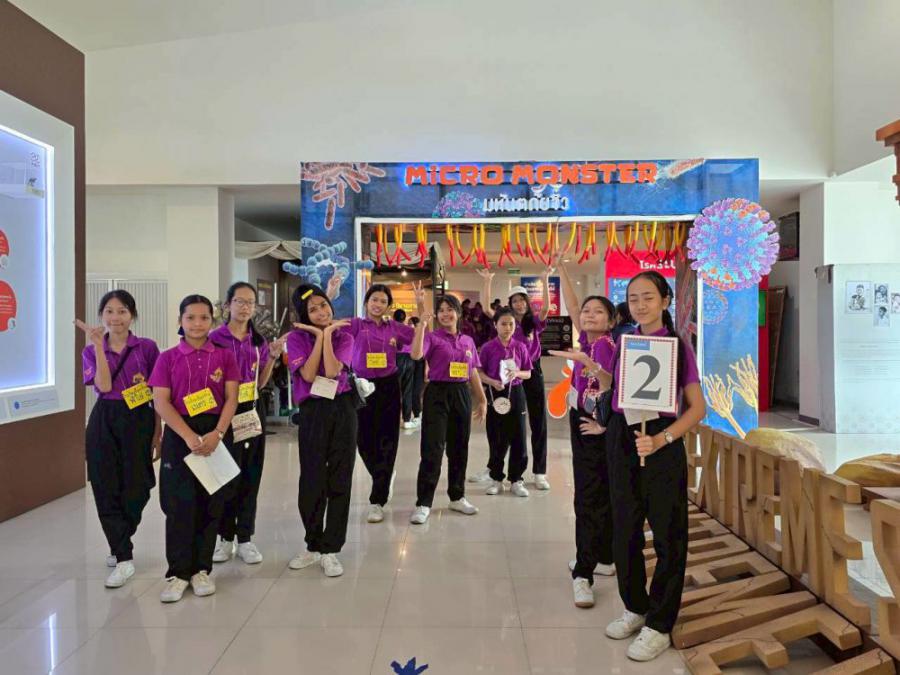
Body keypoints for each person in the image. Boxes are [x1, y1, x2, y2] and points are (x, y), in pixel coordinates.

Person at [598, 271, 706, 662]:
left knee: (668, 533)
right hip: (622, 439)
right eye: (633, 298)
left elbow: (698, 408)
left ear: (665, 300)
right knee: (624, 529)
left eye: (648, 297)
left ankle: (660, 623)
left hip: (662, 441)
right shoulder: (624, 342)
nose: (640, 305)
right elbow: (617, 390)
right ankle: (635, 606)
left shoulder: (678, 347)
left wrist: (662, 440)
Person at [149, 295, 240, 603]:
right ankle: (178, 573)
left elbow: (231, 398)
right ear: (180, 321)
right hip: (180, 435)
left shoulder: (224, 356)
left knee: (211, 503)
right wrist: (188, 436)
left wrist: (218, 433)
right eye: (190, 317)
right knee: (178, 504)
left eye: (204, 318)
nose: (197, 324)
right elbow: (161, 401)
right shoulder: (167, 358)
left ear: (212, 321)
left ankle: (202, 569)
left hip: (215, 433)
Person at [77, 290, 161, 589]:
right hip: (105, 419)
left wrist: (158, 431)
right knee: (105, 485)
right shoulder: (91, 351)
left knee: (140, 486)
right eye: (109, 311)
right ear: (101, 315)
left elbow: (158, 392)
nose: (115, 317)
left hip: (139, 419)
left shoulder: (147, 347)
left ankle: (120, 537)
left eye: (122, 311)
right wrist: (99, 348)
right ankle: (123, 555)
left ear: (132, 315)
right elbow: (103, 385)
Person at [550, 264, 618, 610]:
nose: (588, 315)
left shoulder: (604, 346)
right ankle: (603, 557)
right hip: (585, 418)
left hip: (594, 423)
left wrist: (602, 425)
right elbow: (573, 305)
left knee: (588, 498)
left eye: (598, 311)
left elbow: (610, 384)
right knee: (599, 492)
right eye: (587, 311)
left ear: (611, 320)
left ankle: (583, 573)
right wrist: (562, 269)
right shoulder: (588, 341)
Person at [210, 282, 286, 565]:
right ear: (227, 305)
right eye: (239, 301)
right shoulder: (214, 339)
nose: (245, 307)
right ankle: (224, 537)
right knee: (226, 474)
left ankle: (245, 538)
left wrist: (273, 358)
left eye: (250, 303)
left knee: (251, 473)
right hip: (223, 412)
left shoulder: (258, 341)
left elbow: (261, 383)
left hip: (252, 409)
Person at [286, 284, 356, 577]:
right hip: (313, 410)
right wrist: (318, 337)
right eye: (312, 309)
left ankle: (331, 548)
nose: (320, 312)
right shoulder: (295, 338)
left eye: (323, 305)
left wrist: (327, 336)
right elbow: (306, 373)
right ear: (304, 314)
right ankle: (313, 543)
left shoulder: (345, 336)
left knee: (340, 476)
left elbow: (331, 370)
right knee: (312, 478)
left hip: (342, 408)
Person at [347, 283, 425, 523]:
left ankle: (377, 501)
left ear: (388, 306)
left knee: (388, 440)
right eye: (374, 300)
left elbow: (418, 342)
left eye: (383, 301)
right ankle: (384, 475)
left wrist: (421, 311)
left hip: (388, 386)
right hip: (361, 386)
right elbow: (331, 330)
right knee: (362, 439)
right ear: (366, 302)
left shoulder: (394, 328)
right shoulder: (355, 325)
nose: (378, 305)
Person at [410, 295, 488, 524]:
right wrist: (422, 325)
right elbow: (416, 355)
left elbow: (472, 371)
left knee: (459, 448)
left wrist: (482, 399)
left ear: (458, 313)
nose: (446, 314)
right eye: (441, 310)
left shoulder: (468, 341)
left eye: (450, 309)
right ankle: (423, 503)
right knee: (432, 449)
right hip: (437, 394)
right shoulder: (432, 338)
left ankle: (457, 497)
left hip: (461, 394)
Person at [476, 265, 553, 490]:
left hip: (530, 370)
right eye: (515, 300)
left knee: (538, 421)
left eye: (522, 300)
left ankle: (539, 471)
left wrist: (545, 279)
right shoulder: (506, 322)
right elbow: (488, 309)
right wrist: (487, 280)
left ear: (527, 302)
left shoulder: (532, 322)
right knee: (503, 421)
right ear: (510, 304)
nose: (519, 304)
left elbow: (546, 308)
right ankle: (494, 469)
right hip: (505, 375)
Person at [478, 308, 532, 498]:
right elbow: (479, 373)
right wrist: (492, 382)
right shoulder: (488, 348)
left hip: (515, 392)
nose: (508, 327)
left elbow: (528, 373)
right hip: (495, 393)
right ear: (495, 325)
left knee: (519, 437)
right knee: (496, 437)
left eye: (511, 324)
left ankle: (516, 480)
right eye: (503, 324)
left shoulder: (520, 347)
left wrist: (517, 373)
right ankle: (496, 479)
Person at [400, 316, 426, 429]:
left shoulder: (422, 335)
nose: (409, 325)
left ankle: (417, 415)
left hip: (419, 363)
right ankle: (411, 416)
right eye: (409, 323)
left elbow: (425, 354)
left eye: (411, 323)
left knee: (416, 391)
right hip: (408, 361)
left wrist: (427, 369)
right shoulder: (407, 334)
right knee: (408, 391)